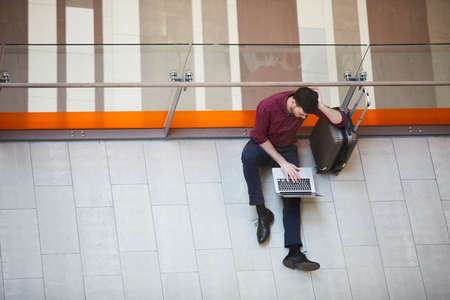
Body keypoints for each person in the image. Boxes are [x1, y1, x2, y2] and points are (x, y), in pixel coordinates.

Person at [241, 87, 346, 272]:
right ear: (293, 102)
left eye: (306, 115)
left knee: (293, 194)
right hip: (265, 146)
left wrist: (320, 106)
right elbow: (258, 136)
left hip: (287, 147)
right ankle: (262, 212)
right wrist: (282, 163)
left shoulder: (306, 104)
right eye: (302, 113)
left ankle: (294, 251)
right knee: (248, 157)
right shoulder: (267, 106)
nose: (303, 117)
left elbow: (340, 121)